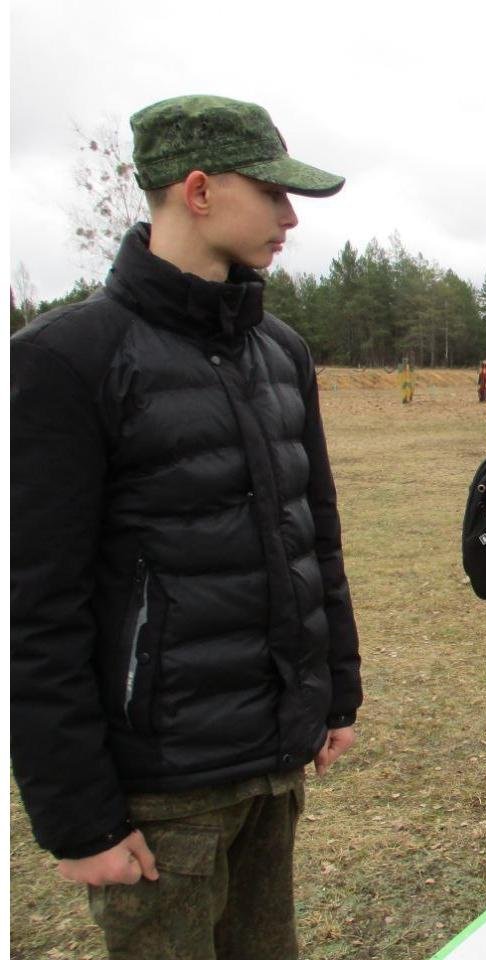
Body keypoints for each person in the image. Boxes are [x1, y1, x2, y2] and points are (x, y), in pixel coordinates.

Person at [10, 94, 363, 960]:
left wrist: (333, 693)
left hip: (270, 759)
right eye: (273, 193)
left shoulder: (280, 350)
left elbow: (312, 532)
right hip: (160, 791)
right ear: (197, 191)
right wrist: (78, 819)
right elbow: (34, 608)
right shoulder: (65, 359)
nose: (289, 217)